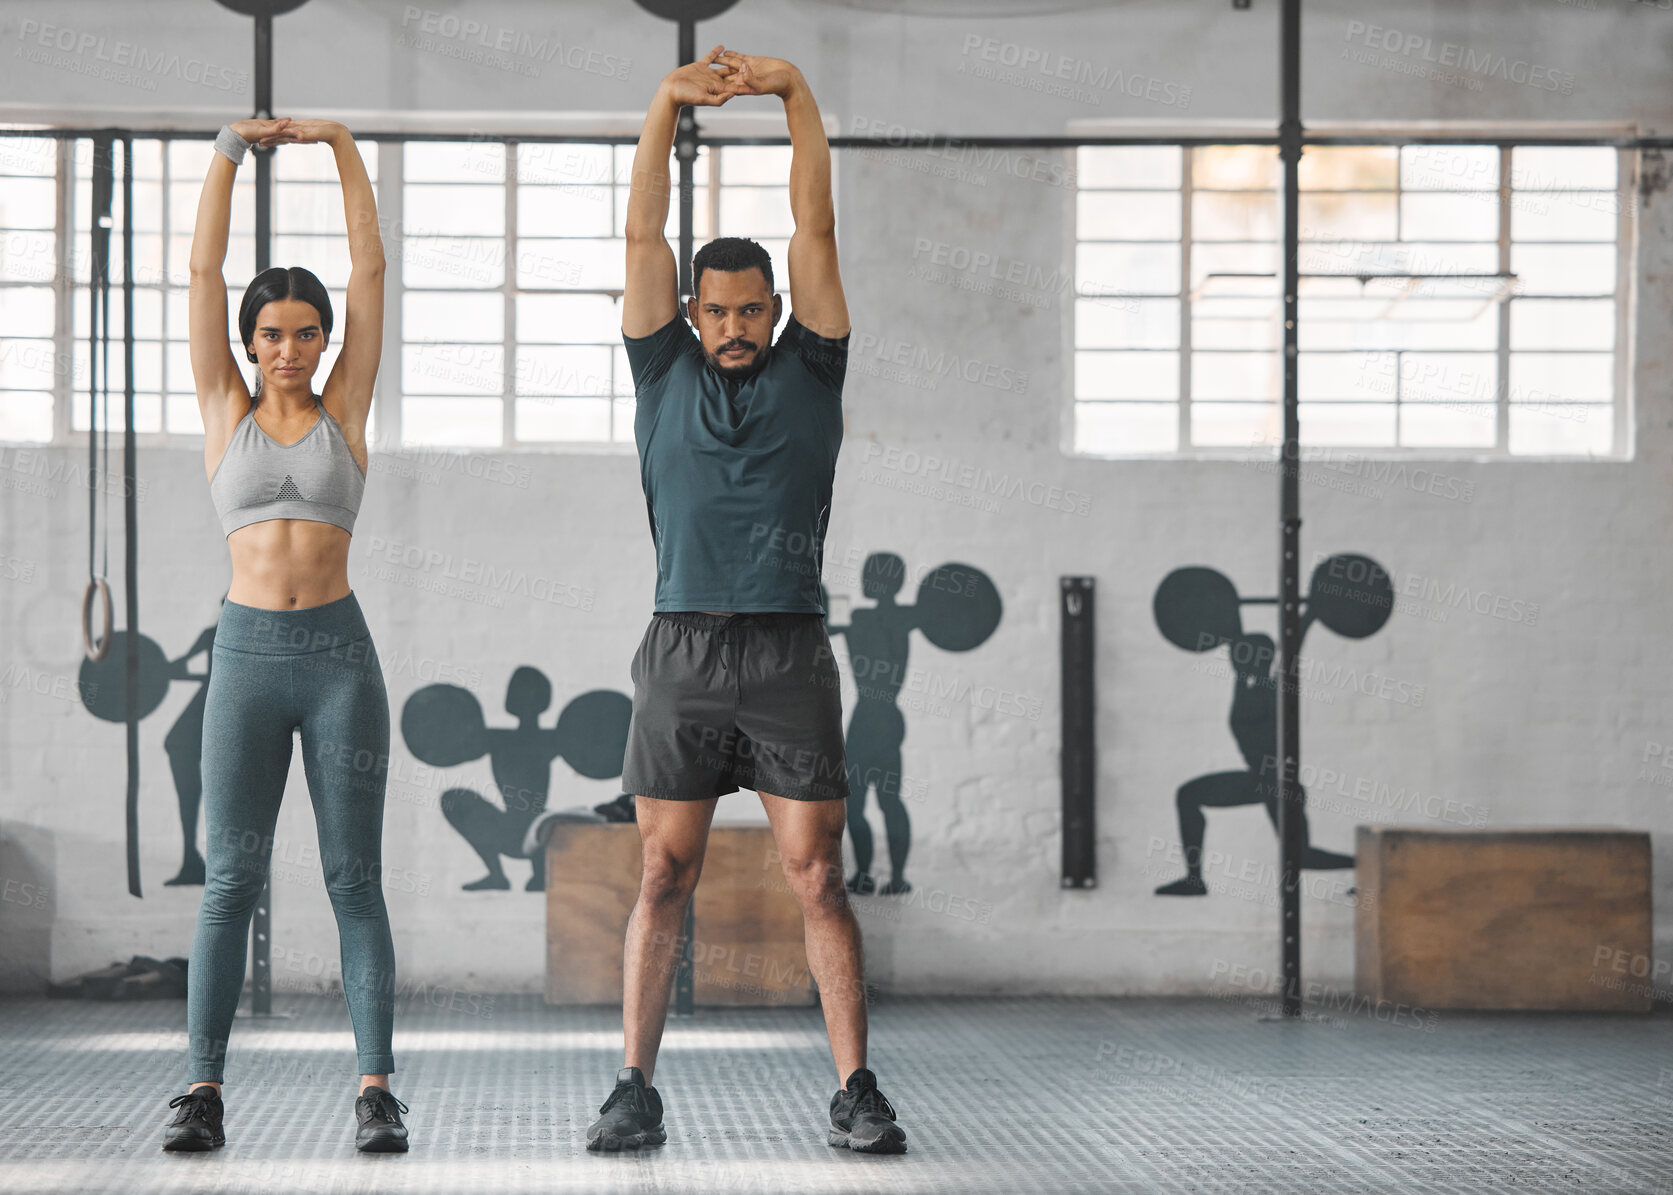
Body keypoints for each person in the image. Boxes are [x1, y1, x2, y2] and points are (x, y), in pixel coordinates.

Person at [587, 48, 906, 1156]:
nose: (734, 324)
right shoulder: (660, 369)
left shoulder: (811, 369)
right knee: (662, 871)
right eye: (716, 309)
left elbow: (815, 229)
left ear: (774, 311)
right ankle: (633, 1085)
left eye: (750, 309)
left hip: (785, 651)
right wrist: (663, 102)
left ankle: (856, 1087)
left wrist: (793, 94)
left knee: (817, 874)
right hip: (679, 649)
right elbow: (640, 238)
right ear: (690, 311)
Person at [162, 117, 409, 1154]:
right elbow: (205, 266)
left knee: (353, 878)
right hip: (249, 659)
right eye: (271, 334)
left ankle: (375, 1090)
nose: (289, 350)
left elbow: (369, 265)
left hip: (338, 662)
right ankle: (201, 1090)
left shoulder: (346, 404)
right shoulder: (224, 403)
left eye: (306, 332)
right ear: (248, 343)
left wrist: (344, 146)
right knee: (232, 877)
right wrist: (226, 150)